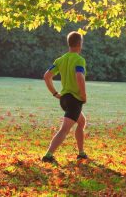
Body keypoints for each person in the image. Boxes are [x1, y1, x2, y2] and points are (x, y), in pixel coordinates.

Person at [42, 31, 88, 164]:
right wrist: (83, 95)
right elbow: (79, 76)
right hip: (74, 100)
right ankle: (48, 156)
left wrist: (55, 94)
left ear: (69, 44)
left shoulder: (60, 60)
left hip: (65, 100)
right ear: (80, 44)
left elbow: (46, 76)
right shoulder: (79, 60)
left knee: (81, 122)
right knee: (64, 129)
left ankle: (81, 153)